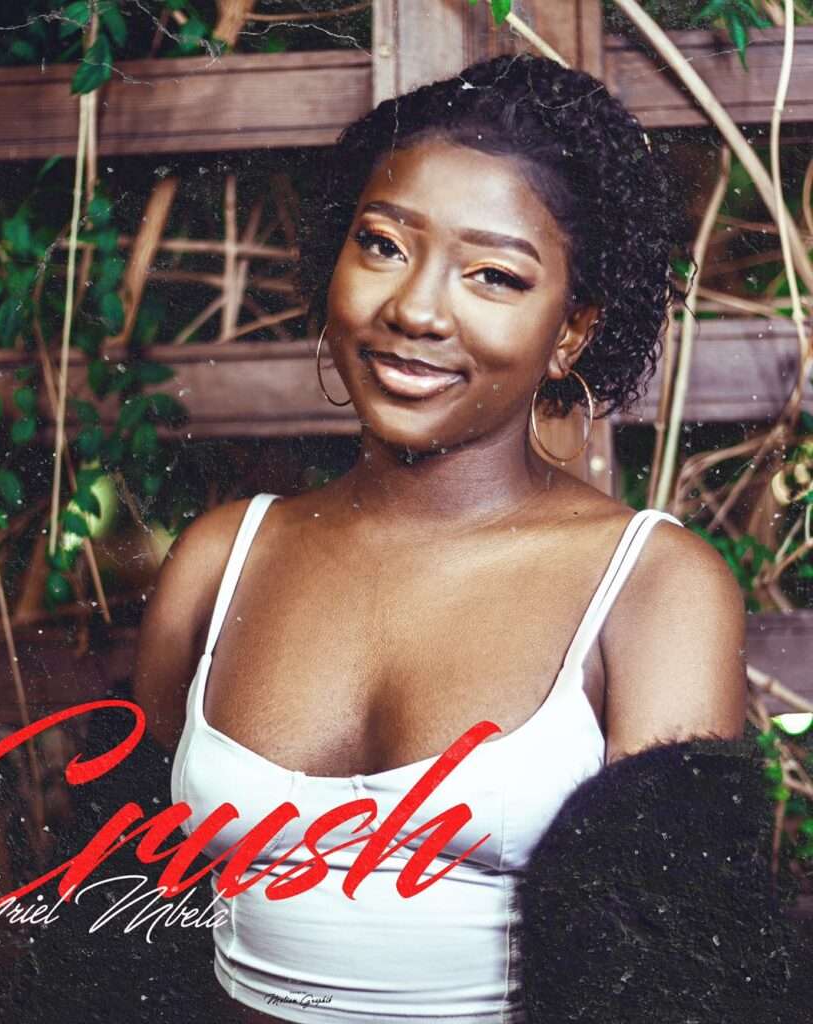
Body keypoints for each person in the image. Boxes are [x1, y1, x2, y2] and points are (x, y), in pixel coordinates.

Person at [132, 53, 749, 1024]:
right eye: (382, 245)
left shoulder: (653, 587)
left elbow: (673, 980)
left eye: (494, 275)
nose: (416, 310)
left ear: (571, 332)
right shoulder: (219, 559)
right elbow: (140, 907)